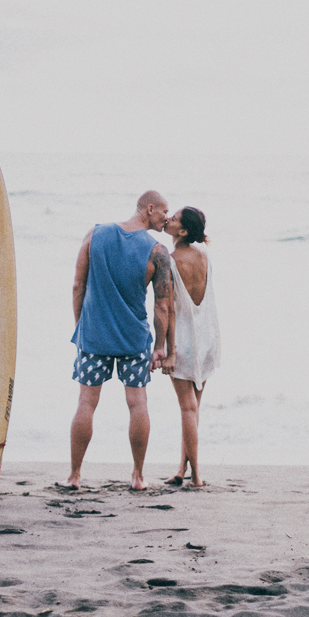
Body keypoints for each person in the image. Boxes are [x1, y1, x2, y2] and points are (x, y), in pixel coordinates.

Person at [63, 191, 175, 491]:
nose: (168, 217)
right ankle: (138, 476)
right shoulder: (157, 252)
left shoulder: (95, 234)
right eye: (165, 211)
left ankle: (74, 476)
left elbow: (78, 285)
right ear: (149, 209)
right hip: (133, 339)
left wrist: (81, 327)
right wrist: (159, 347)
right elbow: (162, 305)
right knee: (137, 403)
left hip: (94, 336)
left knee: (86, 402)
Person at [163, 207, 220, 488]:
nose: (168, 220)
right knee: (194, 408)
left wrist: (168, 349)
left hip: (184, 341)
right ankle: (181, 470)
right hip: (207, 339)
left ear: (183, 231)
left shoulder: (171, 260)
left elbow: (169, 309)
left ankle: (196, 475)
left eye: (173, 219)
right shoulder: (204, 257)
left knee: (187, 409)